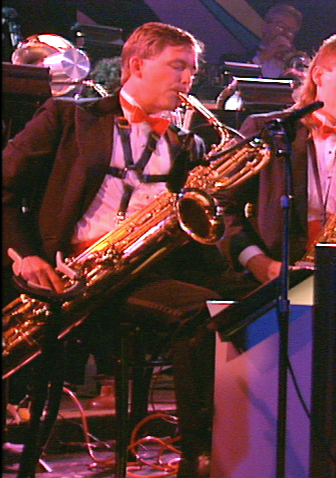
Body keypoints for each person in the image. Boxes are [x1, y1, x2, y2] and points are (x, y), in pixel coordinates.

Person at [2, 22, 238, 477]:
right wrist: (27, 257)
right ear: (136, 65)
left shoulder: (188, 143)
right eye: (177, 67)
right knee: (198, 314)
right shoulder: (68, 116)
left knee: (249, 303)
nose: (187, 79)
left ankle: (245, 443)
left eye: (192, 70)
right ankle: (198, 455)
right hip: (74, 274)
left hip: (145, 269)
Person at [220, 31, 336, 288]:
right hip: (273, 280)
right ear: (318, 76)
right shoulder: (269, 130)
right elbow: (223, 208)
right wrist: (257, 262)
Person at [249, 3, 305, 80]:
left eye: (291, 31)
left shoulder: (297, 62)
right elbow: (237, 76)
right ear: (265, 26)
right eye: (281, 26)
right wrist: (265, 55)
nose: (285, 33)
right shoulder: (245, 53)